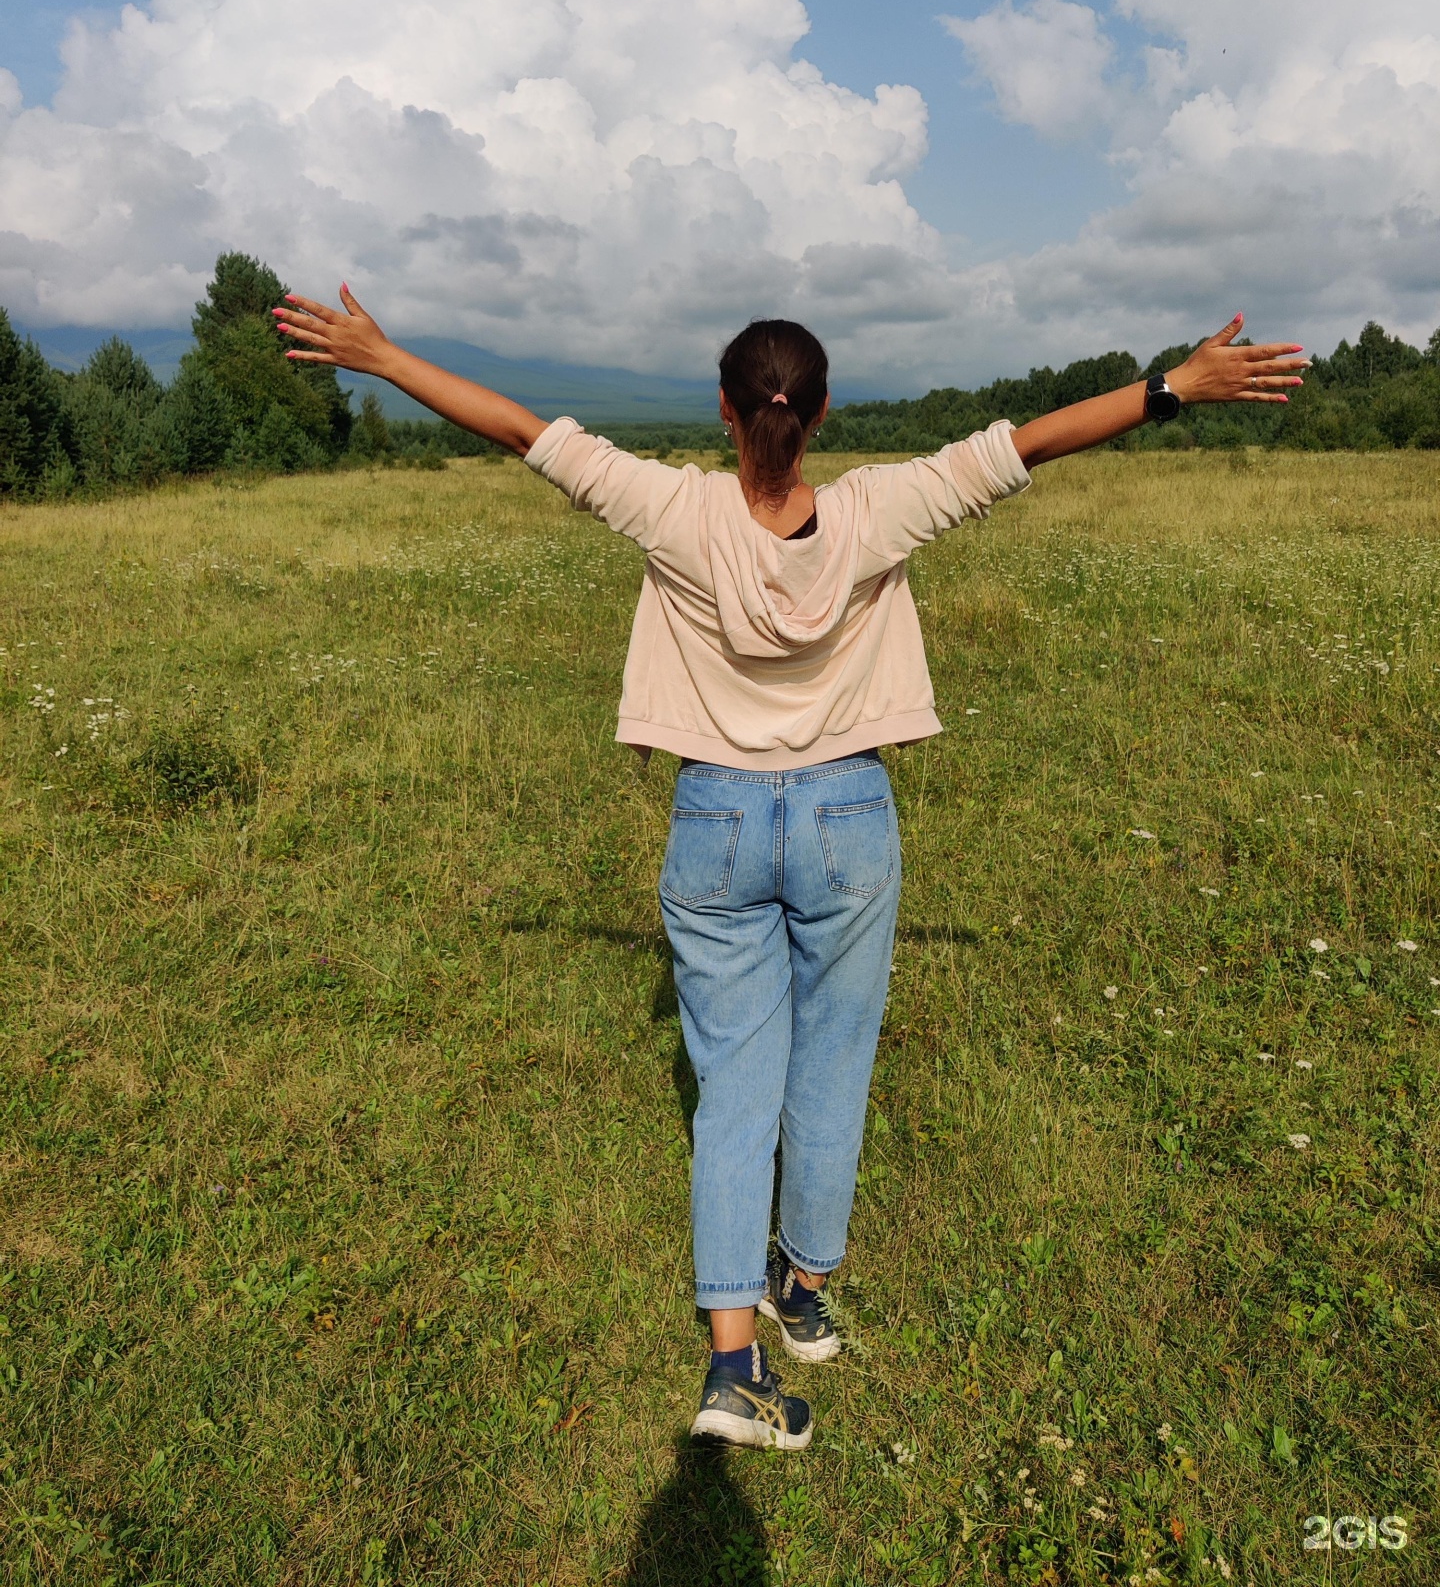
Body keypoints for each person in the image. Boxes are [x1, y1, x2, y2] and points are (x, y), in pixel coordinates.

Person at [274, 286, 1306, 1450]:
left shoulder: (674, 508)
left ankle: (734, 1370)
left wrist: (377, 354)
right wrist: (1176, 386)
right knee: (836, 1060)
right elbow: (1032, 442)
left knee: (734, 1092)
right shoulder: (882, 509)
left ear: (726, 413)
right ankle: (805, 1298)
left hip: (713, 812)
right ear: (818, 417)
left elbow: (520, 429)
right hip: (849, 812)